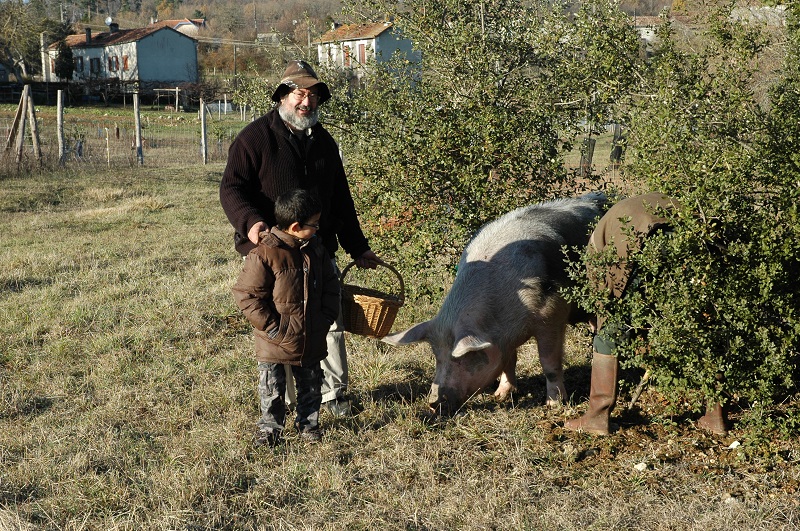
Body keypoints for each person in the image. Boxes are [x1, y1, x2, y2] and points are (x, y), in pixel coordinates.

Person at [220, 60, 381, 417]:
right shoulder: (255, 137)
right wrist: (251, 225)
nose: (307, 102)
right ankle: (288, 399)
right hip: (272, 249)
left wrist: (359, 246)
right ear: (282, 96)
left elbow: (340, 200)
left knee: (329, 318)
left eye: (313, 96)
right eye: (299, 94)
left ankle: (333, 395)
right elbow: (232, 187)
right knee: (281, 320)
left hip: (319, 248)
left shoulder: (324, 141)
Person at [564, 193, 729, 436]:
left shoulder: (597, 245)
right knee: (702, 326)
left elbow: (605, 291)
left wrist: (601, 321)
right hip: (694, 235)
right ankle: (716, 418)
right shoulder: (663, 202)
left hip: (641, 240)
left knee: (611, 327)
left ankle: (596, 418)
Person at [232, 189, 340, 446]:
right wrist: (273, 329)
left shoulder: (317, 250)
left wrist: (325, 318)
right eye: (314, 224)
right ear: (295, 226)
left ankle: (309, 425)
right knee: (272, 389)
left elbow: (331, 285)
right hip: (274, 343)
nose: (317, 228)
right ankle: (270, 430)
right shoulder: (264, 254)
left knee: (312, 385)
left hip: (311, 336)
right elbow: (247, 295)